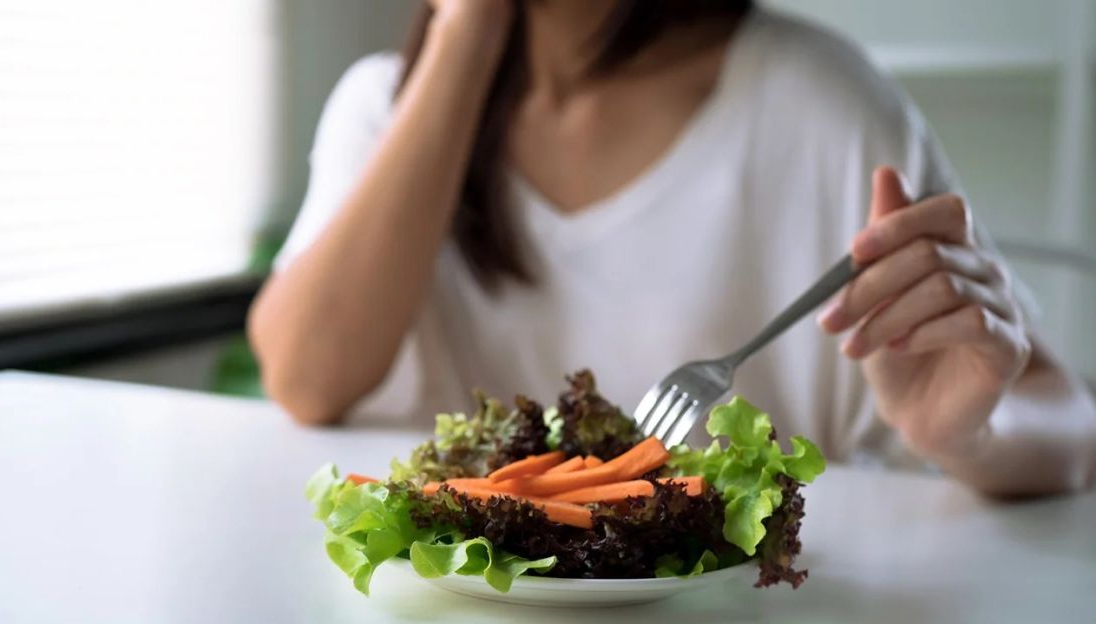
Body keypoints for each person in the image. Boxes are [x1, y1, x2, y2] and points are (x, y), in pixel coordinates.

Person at [248, 0, 1096, 496]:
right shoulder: (383, 107)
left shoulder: (820, 104)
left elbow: (1070, 422)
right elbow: (307, 378)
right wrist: (465, 32)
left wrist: (967, 436)